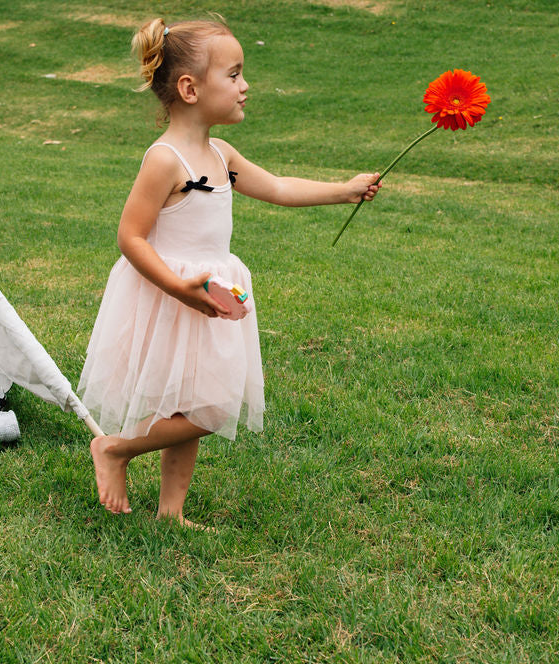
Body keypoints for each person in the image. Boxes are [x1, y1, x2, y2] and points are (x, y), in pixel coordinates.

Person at [78, 17, 382, 527]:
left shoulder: (221, 155)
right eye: (235, 75)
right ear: (191, 88)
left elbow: (280, 188)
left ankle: (170, 512)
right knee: (209, 409)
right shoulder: (164, 160)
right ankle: (115, 449)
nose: (246, 86)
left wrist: (344, 189)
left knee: (197, 402)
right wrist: (178, 287)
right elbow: (130, 236)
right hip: (171, 293)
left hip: (214, 290)